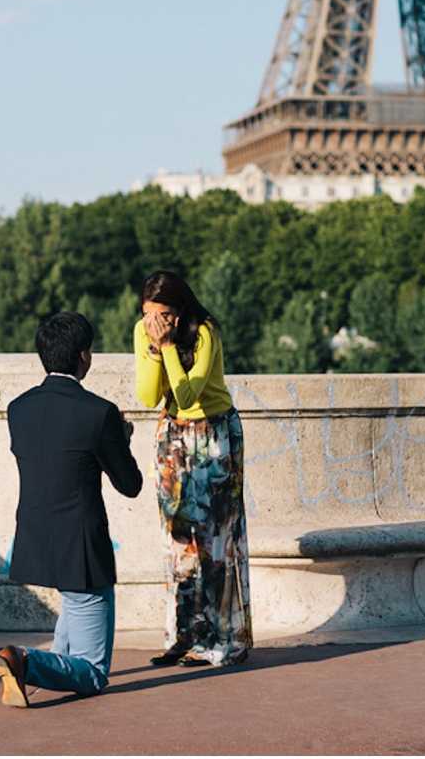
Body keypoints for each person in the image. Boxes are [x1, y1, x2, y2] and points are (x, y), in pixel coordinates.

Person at [0, 312, 143, 708]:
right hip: (82, 549)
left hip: (37, 539)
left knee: (73, 610)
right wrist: (121, 439)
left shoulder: (17, 408)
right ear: (83, 356)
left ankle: (25, 671)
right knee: (93, 673)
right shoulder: (100, 412)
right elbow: (130, 485)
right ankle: (22, 661)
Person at [134, 270, 253, 668]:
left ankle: (220, 640)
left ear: (180, 313)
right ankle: (182, 635)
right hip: (172, 438)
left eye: (162, 315)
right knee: (178, 542)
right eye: (148, 314)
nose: (154, 323)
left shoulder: (204, 333)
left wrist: (167, 346)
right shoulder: (144, 332)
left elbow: (188, 393)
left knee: (214, 543)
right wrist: (154, 348)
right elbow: (150, 395)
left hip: (213, 435)